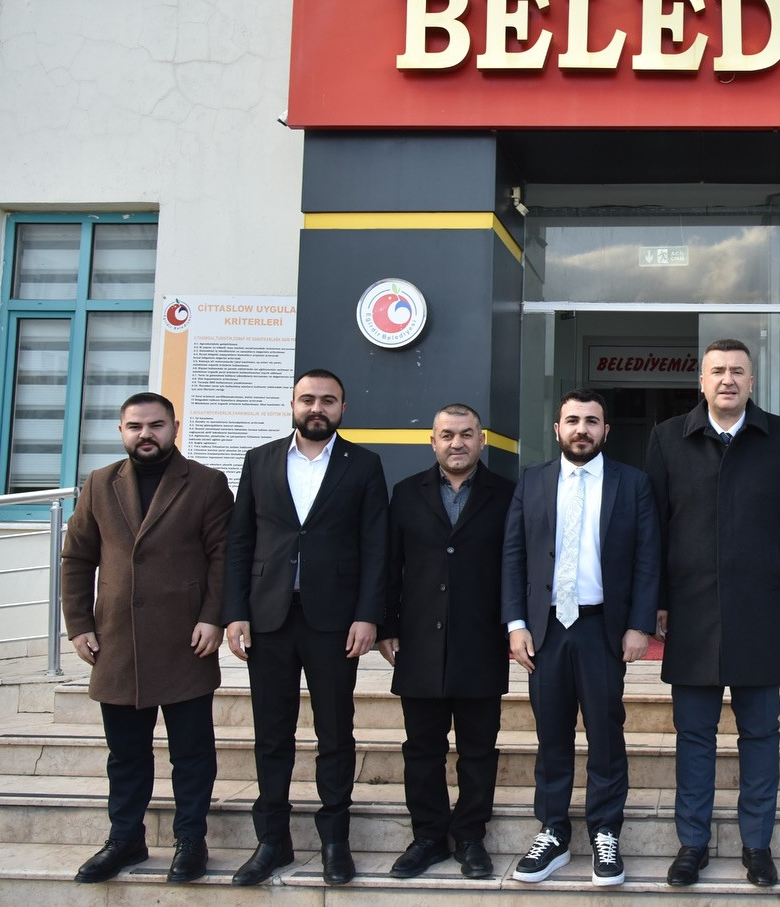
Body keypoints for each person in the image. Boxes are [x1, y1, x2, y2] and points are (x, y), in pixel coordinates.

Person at [644, 338, 780, 889]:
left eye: (738, 371)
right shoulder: (667, 438)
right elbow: (654, 527)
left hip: (762, 611)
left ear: (751, 381)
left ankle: (757, 845)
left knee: (760, 734)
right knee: (693, 736)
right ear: (701, 381)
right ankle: (692, 844)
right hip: (690, 612)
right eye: (717, 370)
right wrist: (657, 601)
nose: (727, 379)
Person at [222, 369, 388, 887]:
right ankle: (272, 841)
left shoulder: (364, 464)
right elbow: (239, 541)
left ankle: (335, 841)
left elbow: (377, 547)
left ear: (343, 408)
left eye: (328, 401)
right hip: (268, 617)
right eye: (308, 399)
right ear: (292, 404)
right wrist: (235, 611)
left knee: (335, 733)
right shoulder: (260, 460)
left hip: (335, 622)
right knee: (272, 734)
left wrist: (368, 614)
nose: (318, 408)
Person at [60, 392, 233, 884]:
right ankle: (125, 840)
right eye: (135, 426)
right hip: (116, 642)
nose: (146, 434)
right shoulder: (99, 483)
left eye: (156, 425)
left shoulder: (206, 482)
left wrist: (214, 618)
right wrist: (79, 624)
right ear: (121, 431)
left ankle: (190, 841)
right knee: (126, 755)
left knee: (192, 754)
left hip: (186, 641)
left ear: (174, 427)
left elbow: (223, 557)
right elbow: (77, 558)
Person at [501, 389, 660, 887]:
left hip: (601, 629)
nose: (581, 429)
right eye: (572, 420)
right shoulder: (533, 481)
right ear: (557, 429)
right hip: (545, 631)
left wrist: (639, 624)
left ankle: (605, 832)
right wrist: (515, 624)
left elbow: (647, 557)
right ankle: (552, 831)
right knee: (551, 733)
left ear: (606, 431)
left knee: (606, 734)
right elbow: (513, 556)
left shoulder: (633, 483)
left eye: (592, 421)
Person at [378, 404, 515, 880]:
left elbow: (515, 566)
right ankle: (429, 837)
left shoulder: (508, 494)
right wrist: (386, 625)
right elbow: (389, 564)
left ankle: (471, 837)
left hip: (481, 642)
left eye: (467, 434)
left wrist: (514, 627)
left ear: (482, 440)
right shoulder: (405, 493)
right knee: (422, 749)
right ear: (432, 441)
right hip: (418, 643)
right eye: (448, 435)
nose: (457, 443)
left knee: (479, 750)